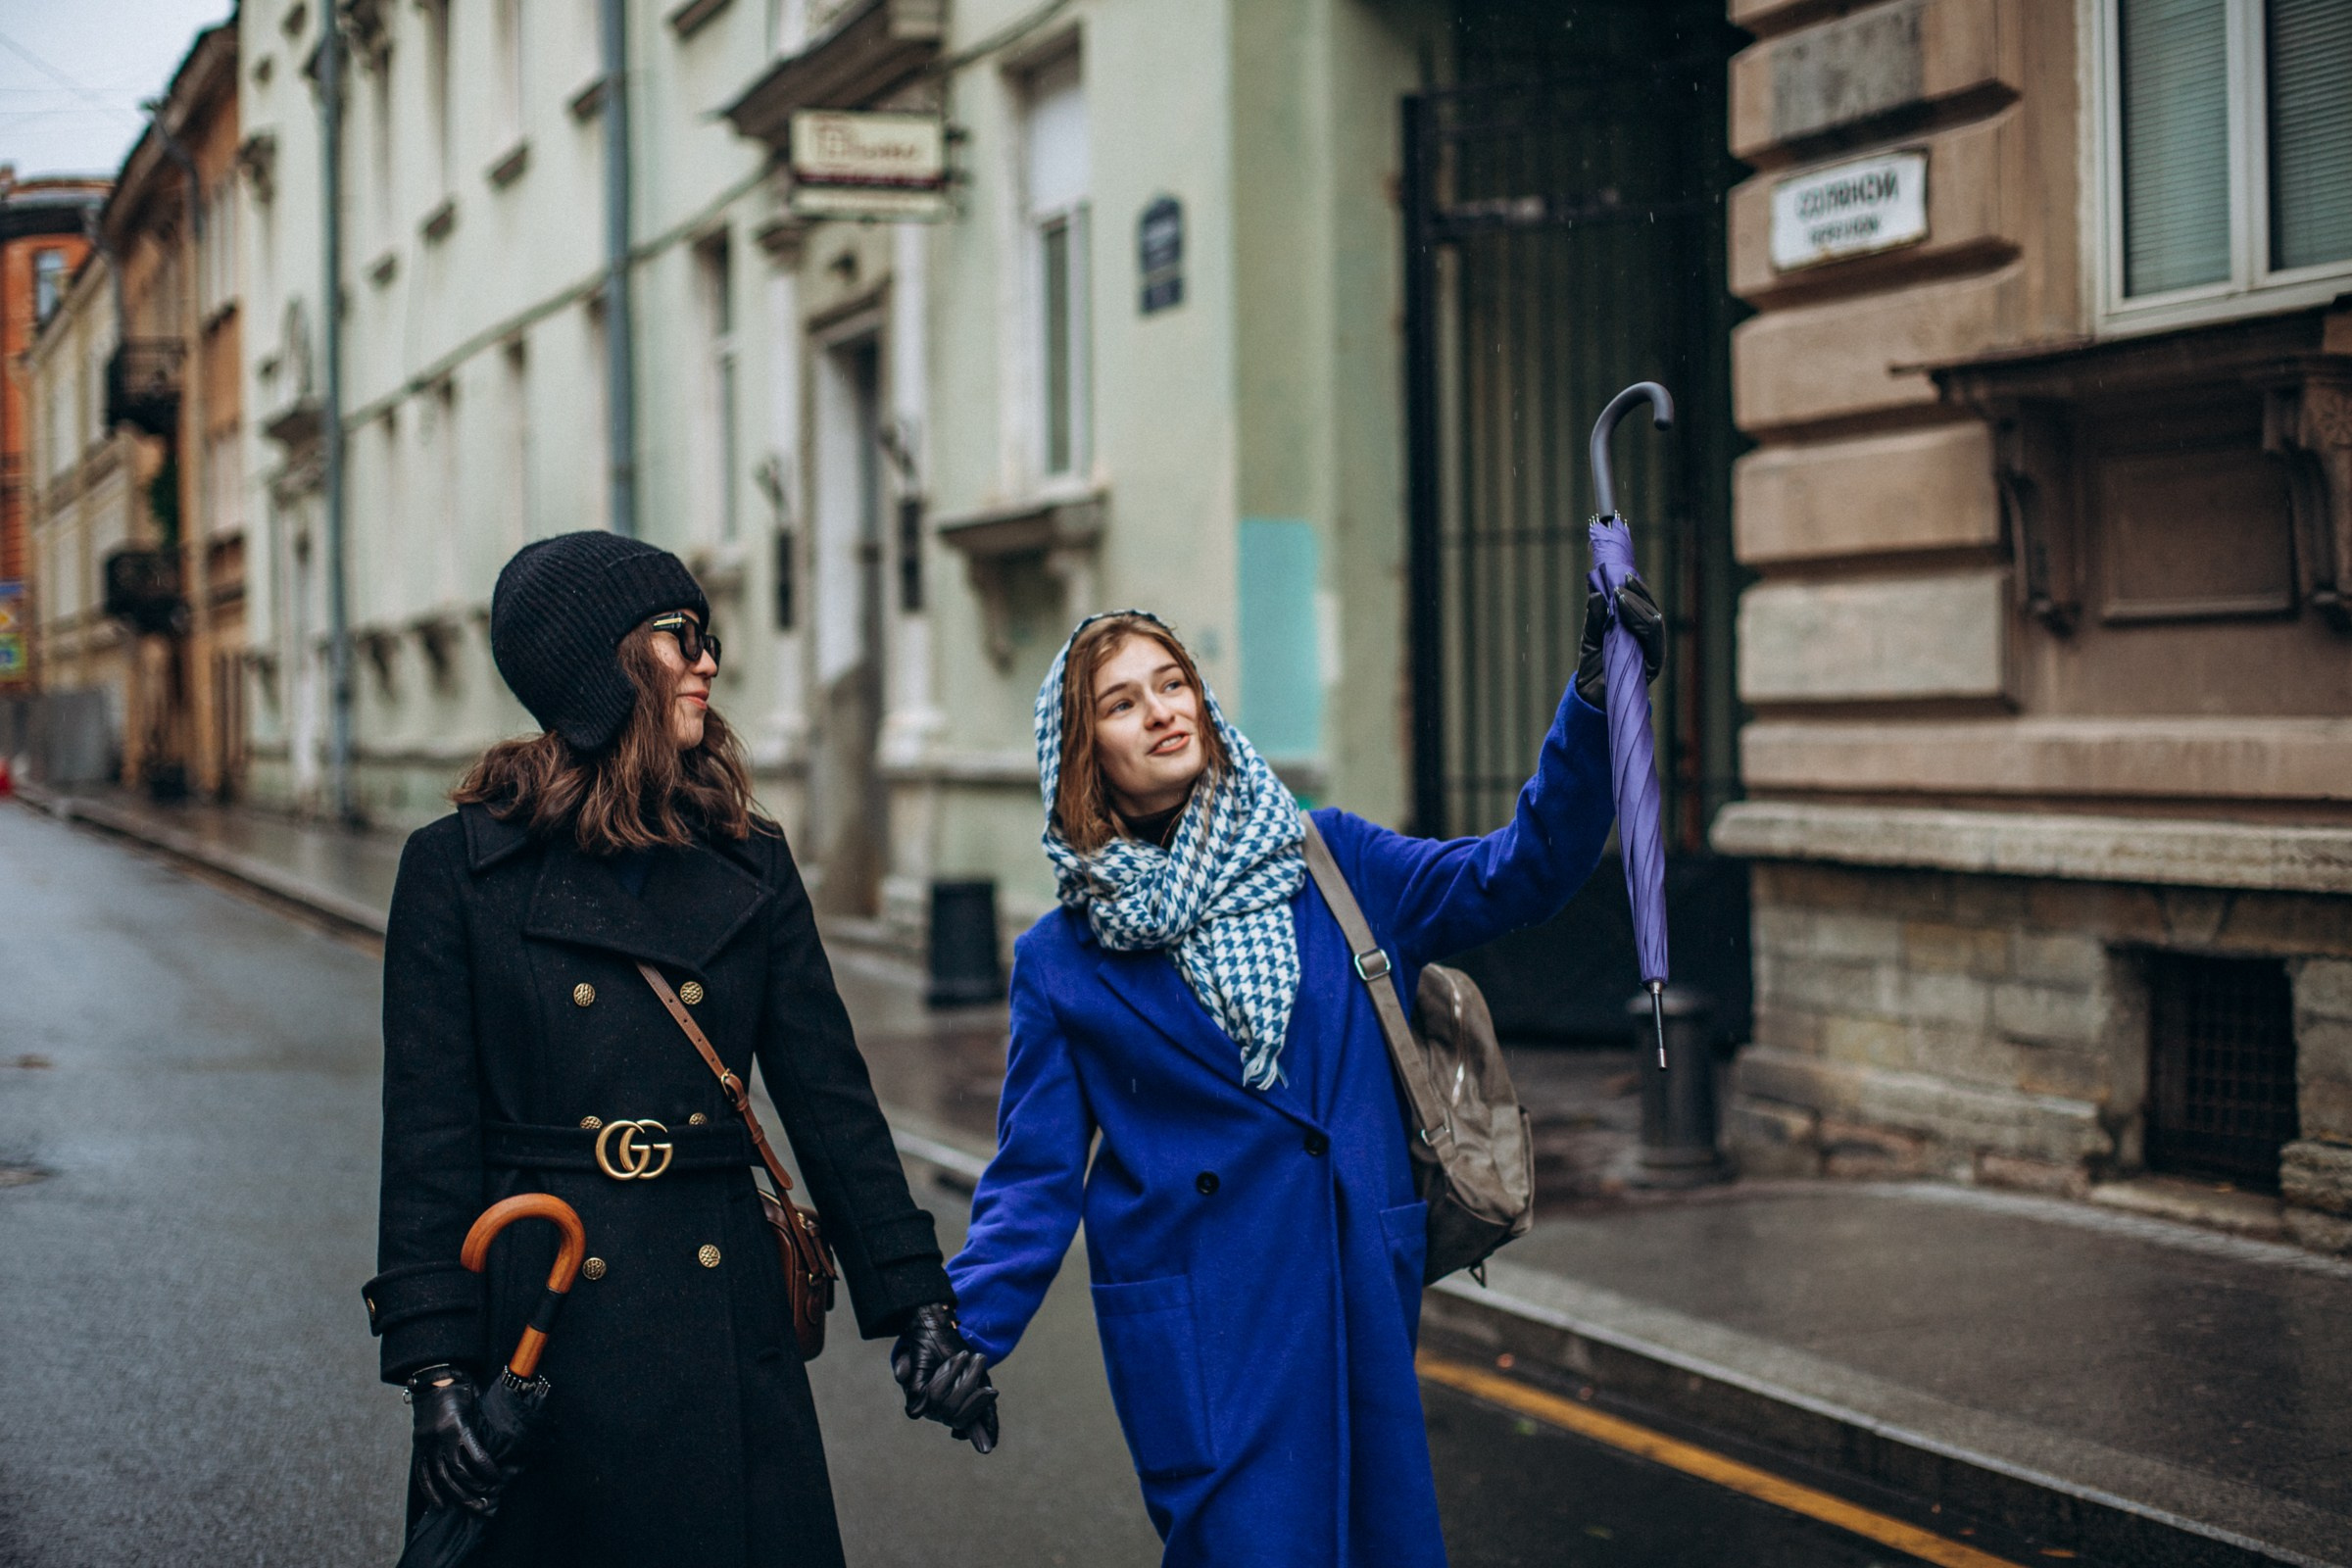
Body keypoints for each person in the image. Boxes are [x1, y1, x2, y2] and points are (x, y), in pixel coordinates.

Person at [919, 590, 1661, 1567]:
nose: (1162, 711)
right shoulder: (1062, 959)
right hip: (1202, 1325)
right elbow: (1034, 1178)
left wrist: (1597, 706)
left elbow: (1519, 871)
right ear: (1082, 754)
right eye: (1122, 703)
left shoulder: (1333, 861)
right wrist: (964, 1326)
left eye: (1173, 683)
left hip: (1352, 1281)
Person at [365, 530, 992, 1568]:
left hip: (721, 1312)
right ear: (596, 663)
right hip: (544, 1312)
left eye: (709, 637)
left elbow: (831, 1101)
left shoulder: (749, 858)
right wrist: (433, 1370)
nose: (708, 660)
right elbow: (428, 1140)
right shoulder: (458, 871)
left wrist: (920, 1303)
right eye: (679, 634)